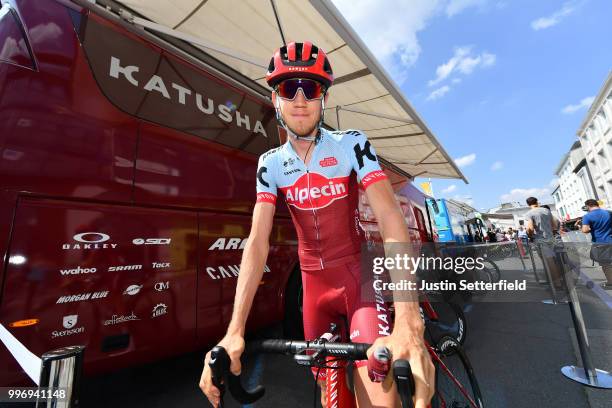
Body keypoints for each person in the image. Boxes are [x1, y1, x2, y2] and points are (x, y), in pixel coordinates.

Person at [199, 42, 434, 408]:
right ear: (275, 99)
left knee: (378, 399)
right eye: (286, 89)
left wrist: (408, 317)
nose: (298, 99)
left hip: (359, 280)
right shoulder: (270, 163)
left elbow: (390, 219)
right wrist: (234, 332)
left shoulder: (351, 144)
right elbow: (256, 243)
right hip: (314, 289)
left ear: (323, 97)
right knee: (331, 398)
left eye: (309, 88)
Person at [524, 197, 562, 288]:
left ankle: (557, 283)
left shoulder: (529, 213)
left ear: (528, 204)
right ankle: (556, 280)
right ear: (537, 202)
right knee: (553, 260)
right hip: (551, 238)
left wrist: (529, 235)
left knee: (549, 262)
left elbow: (531, 229)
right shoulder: (546, 210)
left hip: (541, 240)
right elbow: (554, 225)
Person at [580, 199, 612, 289]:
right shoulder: (609, 213)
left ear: (587, 206)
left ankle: (611, 283)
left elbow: (585, 230)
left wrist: (592, 228)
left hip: (600, 243)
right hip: (611, 239)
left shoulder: (587, 216)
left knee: (606, 264)